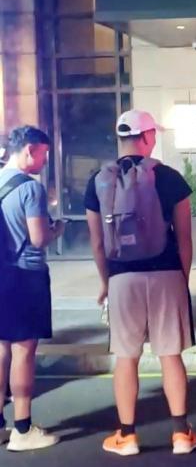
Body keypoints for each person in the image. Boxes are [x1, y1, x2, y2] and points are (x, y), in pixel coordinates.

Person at [84, 110, 196, 456]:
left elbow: (97, 243)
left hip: (122, 278)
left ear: (121, 139)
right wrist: (182, 278)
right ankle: (181, 434)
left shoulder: (98, 181)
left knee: (126, 357)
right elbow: (185, 238)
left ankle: (127, 435)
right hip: (166, 275)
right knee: (170, 355)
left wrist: (107, 282)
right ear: (148, 136)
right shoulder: (169, 177)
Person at [0, 126, 63, 451]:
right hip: (26, 277)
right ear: (28, 150)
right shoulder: (30, 189)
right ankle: (23, 428)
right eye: (43, 153)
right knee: (24, 350)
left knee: (1, 349)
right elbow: (38, 238)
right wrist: (56, 230)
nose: (44, 159)